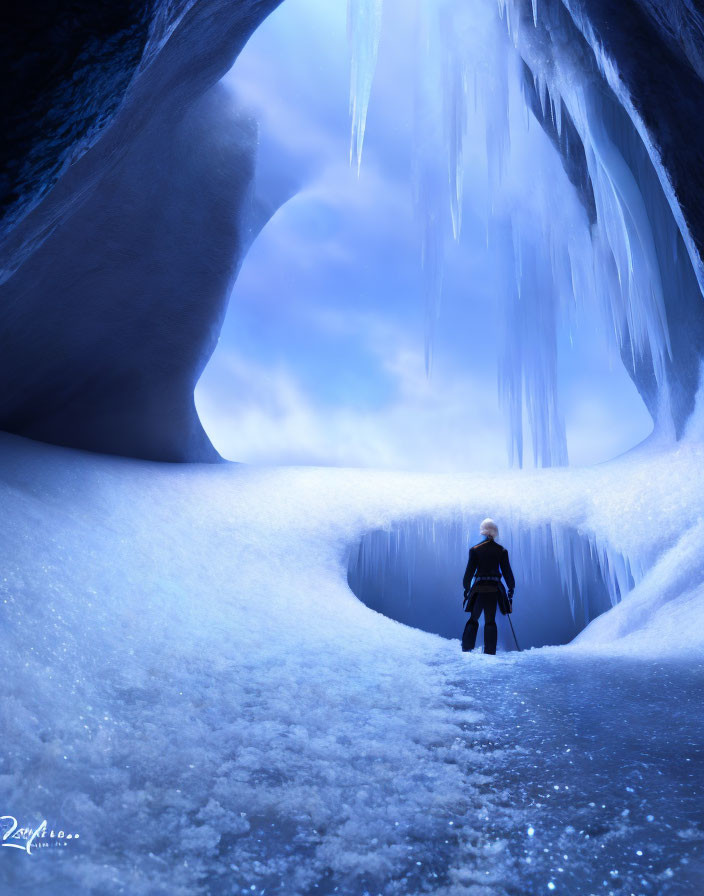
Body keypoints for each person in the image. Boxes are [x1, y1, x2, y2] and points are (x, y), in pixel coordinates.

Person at [461, 518, 515, 655]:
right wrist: (511, 588)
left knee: (473, 619)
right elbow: (507, 572)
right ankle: (489, 651)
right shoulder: (501, 551)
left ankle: (467, 647)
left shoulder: (475, 550)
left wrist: (466, 588)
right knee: (490, 621)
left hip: (478, 589)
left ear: (483, 532)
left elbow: (469, 572)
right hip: (493, 589)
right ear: (495, 532)